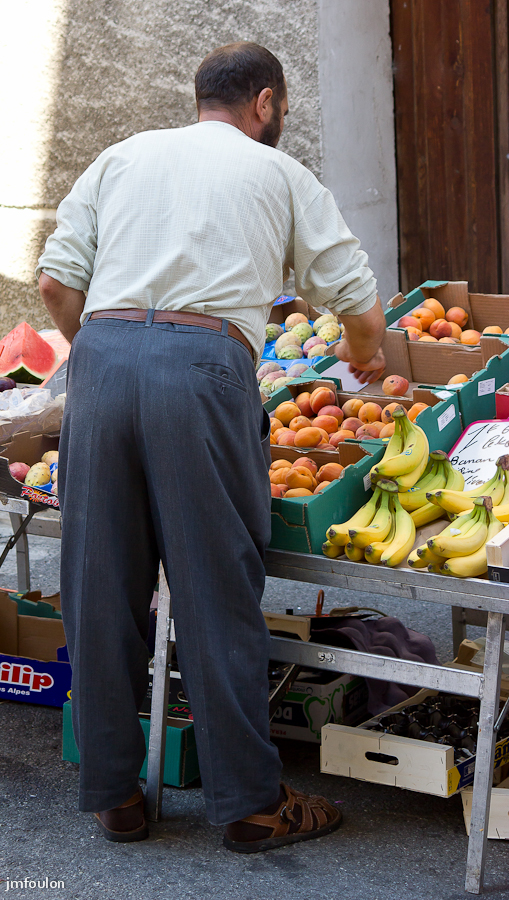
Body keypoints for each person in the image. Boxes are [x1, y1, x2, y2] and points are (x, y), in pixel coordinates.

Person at [36, 41, 386, 852]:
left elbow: (56, 281)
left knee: (97, 588)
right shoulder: (282, 177)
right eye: (283, 113)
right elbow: (359, 303)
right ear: (264, 103)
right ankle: (248, 806)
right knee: (214, 589)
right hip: (203, 370)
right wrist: (367, 355)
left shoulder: (121, 157)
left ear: (201, 98)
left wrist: (102, 356)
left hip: (102, 356)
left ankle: (113, 796)